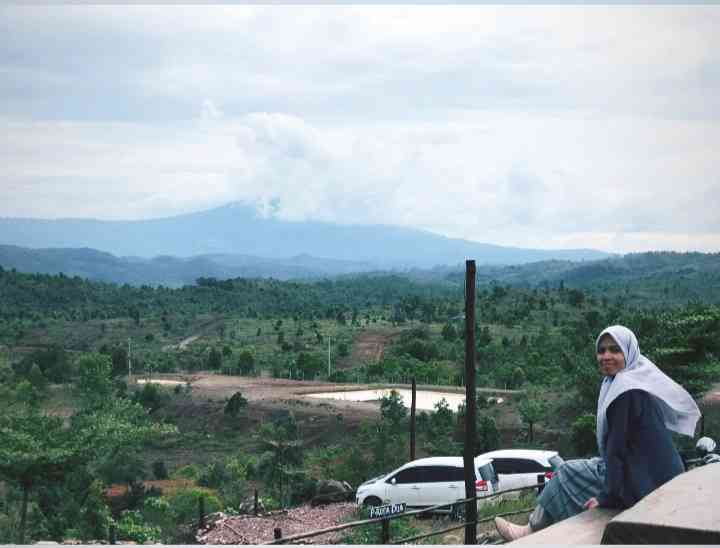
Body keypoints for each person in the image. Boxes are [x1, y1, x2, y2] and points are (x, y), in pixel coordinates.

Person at [494, 324, 701, 541]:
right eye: (601, 350)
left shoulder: (625, 390)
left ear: (629, 352)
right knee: (581, 468)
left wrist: (606, 498)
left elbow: (616, 450)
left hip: (644, 480)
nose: (606, 356)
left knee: (566, 472)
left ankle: (530, 531)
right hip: (654, 473)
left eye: (615, 350)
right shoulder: (635, 380)